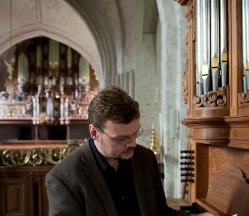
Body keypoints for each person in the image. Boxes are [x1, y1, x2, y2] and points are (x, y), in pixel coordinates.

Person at [45, 86, 214, 216]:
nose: (133, 143)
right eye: (122, 138)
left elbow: (160, 213)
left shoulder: (146, 158)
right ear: (94, 132)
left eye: (135, 133)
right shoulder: (63, 179)